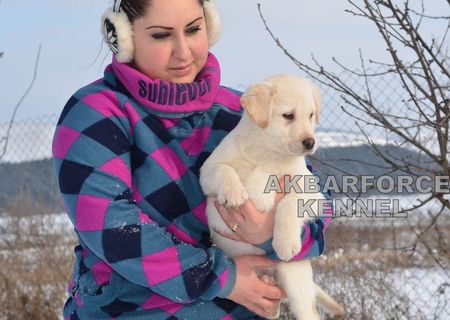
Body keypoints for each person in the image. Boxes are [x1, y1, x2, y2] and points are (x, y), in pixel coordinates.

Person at [52, 0, 332, 319]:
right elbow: (113, 228)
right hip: (133, 311)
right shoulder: (95, 114)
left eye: (193, 29)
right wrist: (222, 278)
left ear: (210, 26)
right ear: (123, 36)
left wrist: (271, 231)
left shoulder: (238, 112)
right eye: (161, 35)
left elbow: (318, 203)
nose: (183, 52)